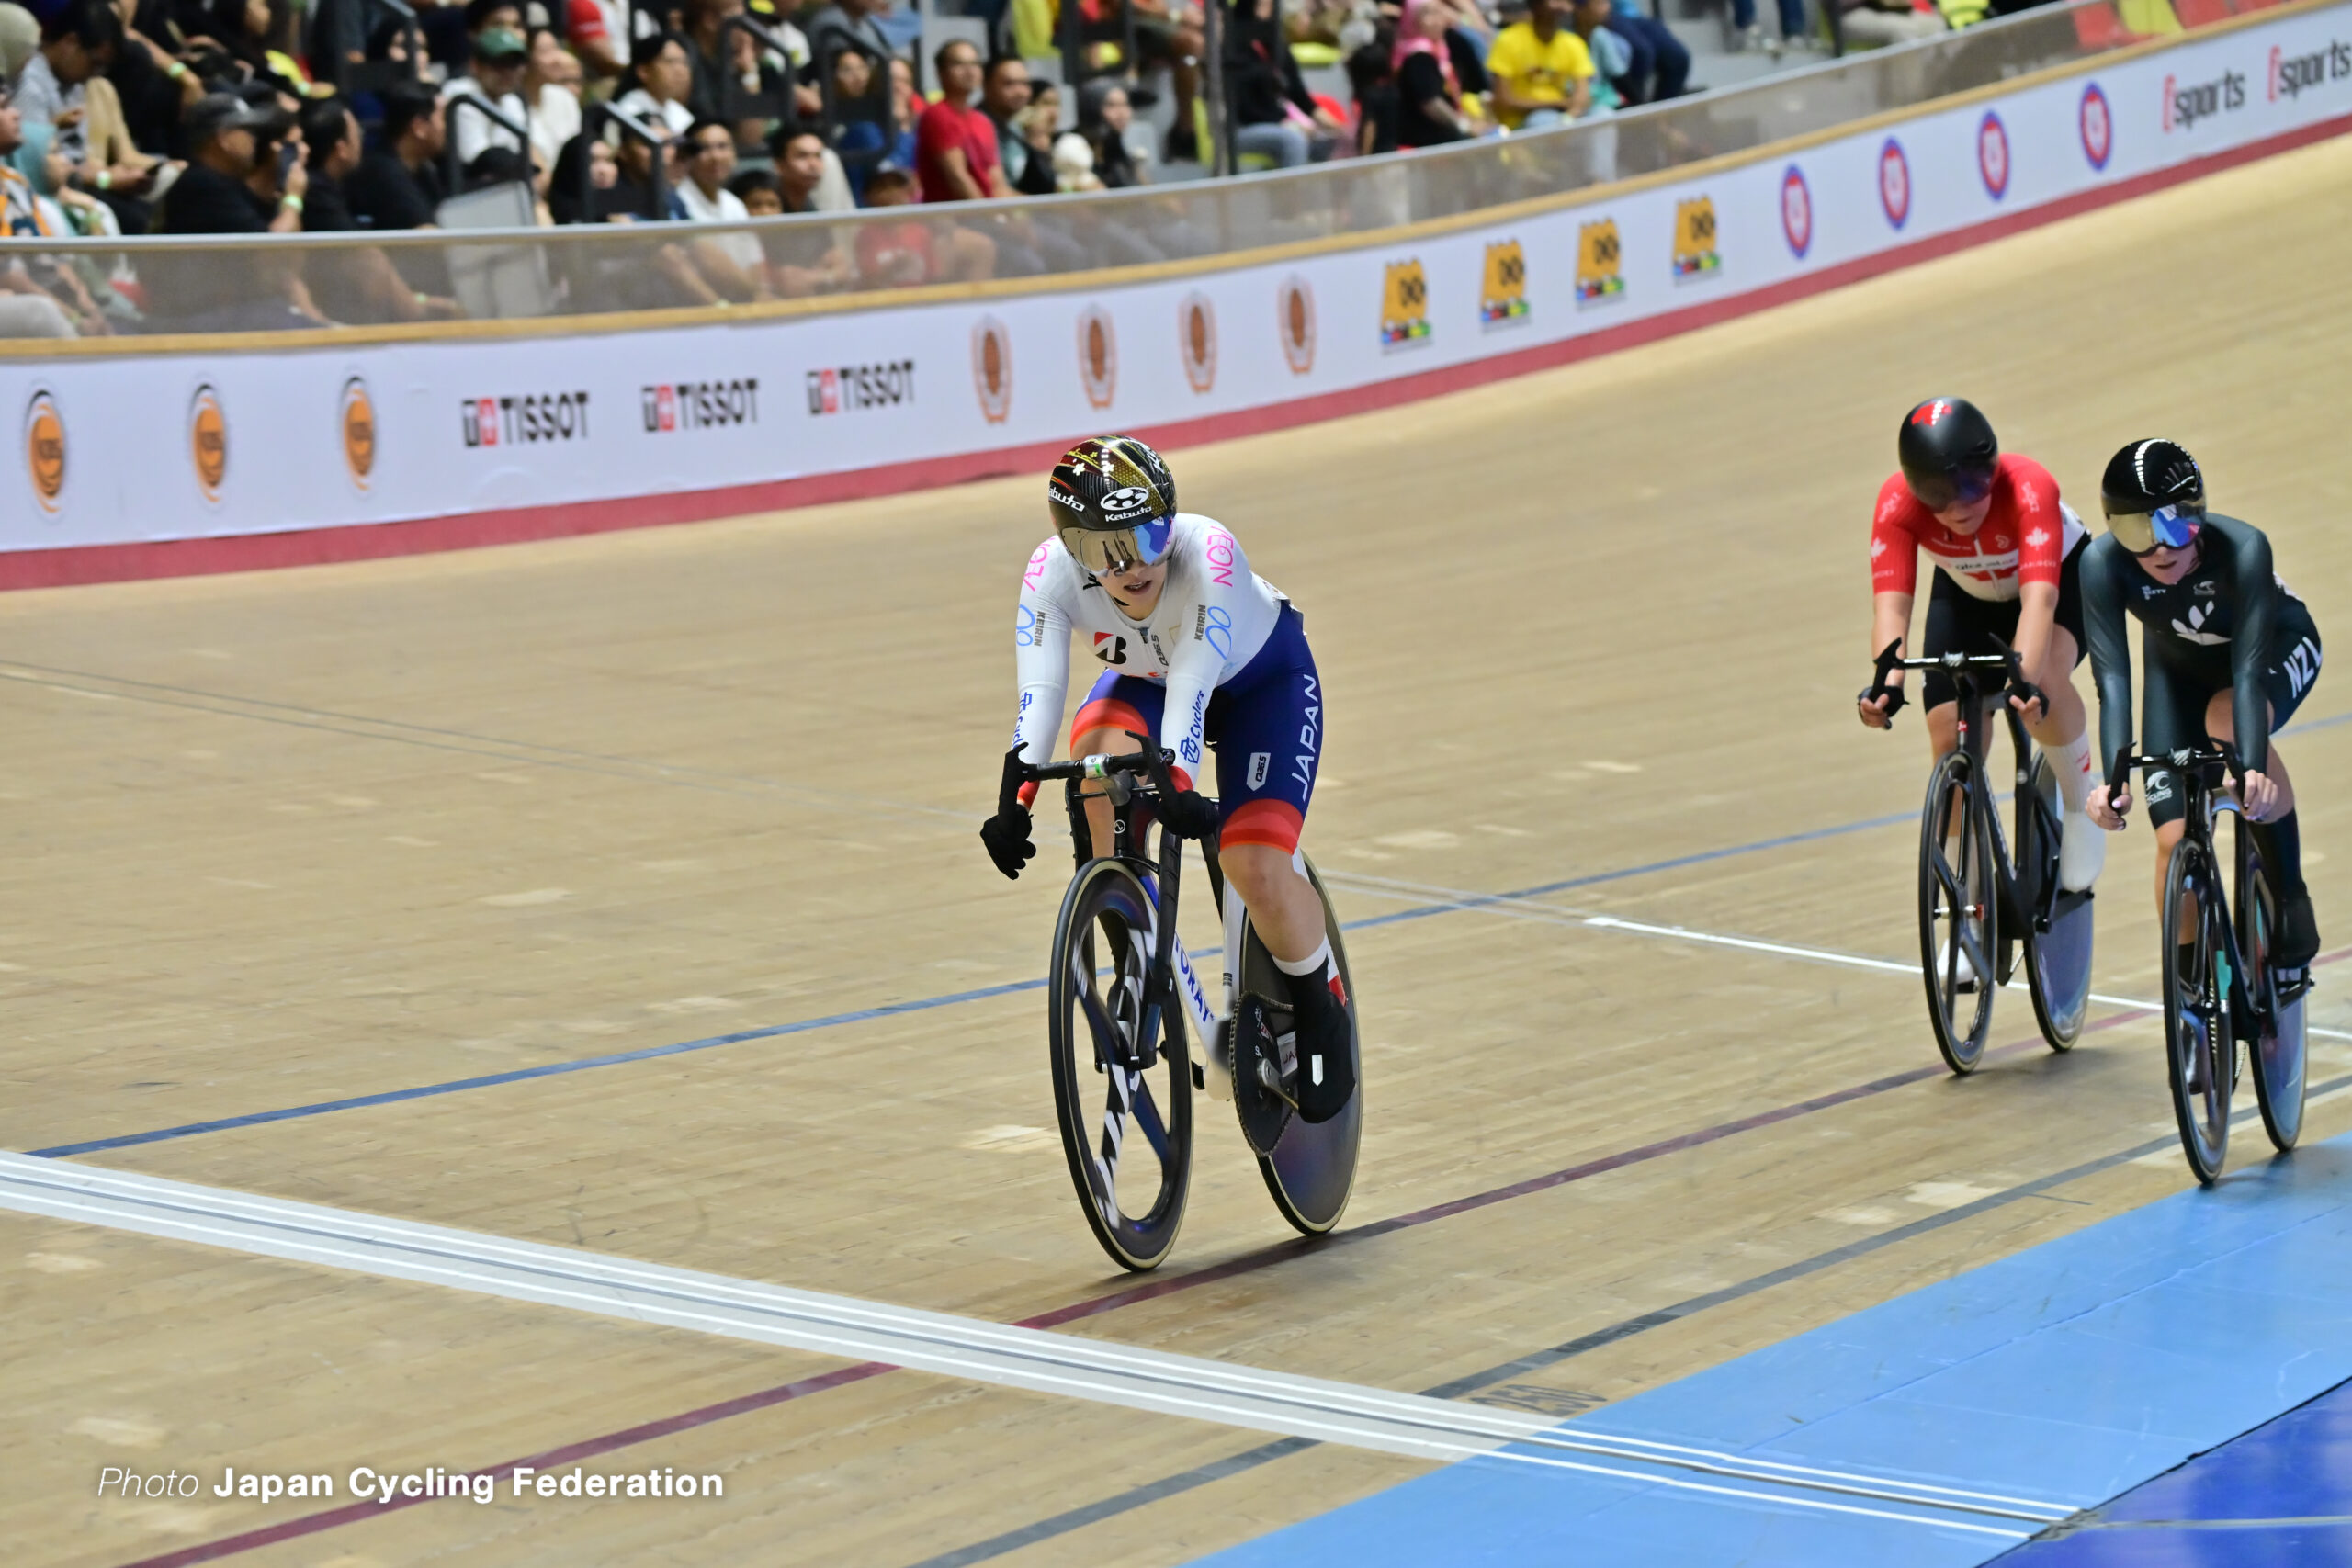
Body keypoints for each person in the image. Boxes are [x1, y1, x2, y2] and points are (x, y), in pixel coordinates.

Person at [981, 437, 1354, 1122]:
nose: (1131, 566)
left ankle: (1319, 1001)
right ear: (1072, 551)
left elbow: (1193, 683)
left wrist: (1179, 780)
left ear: (1172, 524)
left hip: (1260, 684)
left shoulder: (1208, 555)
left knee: (1254, 862)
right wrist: (1018, 797)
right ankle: (1136, 952)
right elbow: (1040, 692)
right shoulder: (1049, 575)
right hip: (1150, 677)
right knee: (1094, 760)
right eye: (1104, 551)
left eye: (1148, 536)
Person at [1857, 398, 2105, 940]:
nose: (1958, 505)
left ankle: (2082, 801)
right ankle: (1958, 909)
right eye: (1939, 495)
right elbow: (1892, 608)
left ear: (1993, 467)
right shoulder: (1897, 504)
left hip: (2058, 581)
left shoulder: (2030, 486)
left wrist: (2027, 680)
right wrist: (1887, 683)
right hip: (1966, 595)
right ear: (1914, 488)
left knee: (2045, 687)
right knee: (1948, 735)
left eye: (1972, 485)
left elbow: (2039, 602)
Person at [2082, 439, 2324, 976]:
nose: (2160, 551)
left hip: (2273, 648)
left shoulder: (2244, 548)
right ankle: (2189, 986)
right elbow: (2114, 680)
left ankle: (2290, 893)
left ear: (2199, 514)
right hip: (2177, 673)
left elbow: (2249, 668)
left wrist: (2254, 769)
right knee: (2171, 839)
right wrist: (2113, 781)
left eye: (2174, 528)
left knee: (2226, 720)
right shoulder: (2101, 565)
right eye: (2136, 534)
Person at [1225, 0, 1343, 167]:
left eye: (1269, 5)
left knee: (1334, 139)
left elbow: (1299, 94)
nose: (1266, 11)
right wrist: (1287, 124)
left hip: (1279, 123)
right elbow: (1241, 104)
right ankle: (1293, 193)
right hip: (1242, 127)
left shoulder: (1276, 45)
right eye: (1261, 5)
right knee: (1292, 140)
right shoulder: (1232, 45)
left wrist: (1334, 126)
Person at [343, 78, 445, 231]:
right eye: (443, 118)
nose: (447, 127)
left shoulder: (424, 170)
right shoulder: (383, 172)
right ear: (419, 127)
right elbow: (427, 237)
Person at [1485, 0, 1591, 129]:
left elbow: (1582, 95)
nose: (1563, 7)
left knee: (1602, 114)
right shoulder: (1508, 41)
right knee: (1542, 121)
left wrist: (1570, 116)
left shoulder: (1574, 44)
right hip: (1522, 122)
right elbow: (1503, 101)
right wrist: (1556, 103)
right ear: (1536, 4)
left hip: (1563, 115)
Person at [442, 24, 531, 170]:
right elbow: (475, 158)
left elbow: (519, 158)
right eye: (499, 63)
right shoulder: (460, 94)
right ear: (475, 65)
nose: (508, 72)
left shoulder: (513, 101)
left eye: (514, 64)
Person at [1393, 0, 1475, 146]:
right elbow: (1430, 102)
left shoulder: (1441, 50)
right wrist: (1464, 126)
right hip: (1428, 143)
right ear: (1411, 19)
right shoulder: (1418, 56)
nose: (1437, 20)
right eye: (1427, 13)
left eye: (1438, 11)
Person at [982, 53, 1055, 196]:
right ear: (987, 86)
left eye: (1025, 84)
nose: (1020, 92)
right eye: (1009, 84)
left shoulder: (1017, 126)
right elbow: (995, 191)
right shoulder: (978, 127)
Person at [616, 31, 696, 137]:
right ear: (643, 71)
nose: (680, 70)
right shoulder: (626, 111)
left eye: (684, 63)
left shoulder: (679, 112)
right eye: (670, 61)